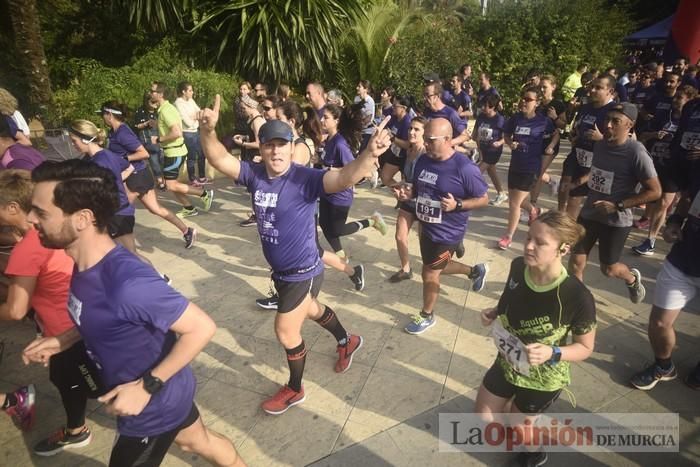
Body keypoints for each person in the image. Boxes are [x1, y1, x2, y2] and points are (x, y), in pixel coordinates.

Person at [23, 159, 246, 467]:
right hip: (165, 394)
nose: (30, 217)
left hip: (152, 407)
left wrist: (146, 387)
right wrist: (62, 341)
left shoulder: (128, 282)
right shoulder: (84, 263)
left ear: (82, 219)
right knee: (198, 441)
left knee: (196, 442)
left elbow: (201, 327)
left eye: (41, 212)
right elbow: (105, 316)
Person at [199, 95, 391, 415]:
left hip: (303, 271)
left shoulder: (305, 178)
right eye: (269, 145)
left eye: (281, 144)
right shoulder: (255, 175)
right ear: (261, 148)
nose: (275, 150)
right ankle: (347, 341)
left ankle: (295, 387)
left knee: (286, 330)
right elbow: (219, 159)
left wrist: (368, 156)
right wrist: (207, 131)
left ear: (292, 147)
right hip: (285, 274)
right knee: (313, 310)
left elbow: (342, 178)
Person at [476, 211, 596, 467]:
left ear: (563, 248)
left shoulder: (577, 296)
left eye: (540, 242)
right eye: (528, 237)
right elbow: (509, 300)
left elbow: (585, 347)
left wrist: (553, 352)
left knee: (521, 430)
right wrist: (495, 312)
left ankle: (535, 452)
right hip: (508, 360)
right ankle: (519, 416)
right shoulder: (519, 266)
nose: (528, 246)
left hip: (543, 377)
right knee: (486, 419)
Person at [0, 169, 104, 456]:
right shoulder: (55, 230)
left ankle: (77, 431)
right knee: (68, 378)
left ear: (12, 208)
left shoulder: (29, 248)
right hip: (80, 318)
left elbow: (16, 310)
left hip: (65, 329)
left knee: (84, 383)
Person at [629, 95, 700, 391]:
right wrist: (673, 222)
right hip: (685, 256)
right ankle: (663, 365)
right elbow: (689, 194)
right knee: (659, 322)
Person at [393, 118, 489, 335]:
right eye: (425, 138)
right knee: (436, 266)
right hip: (427, 228)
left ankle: (427, 315)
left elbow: (483, 198)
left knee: (429, 273)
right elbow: (419, 189)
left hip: (448, 232)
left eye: (430, 139)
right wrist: (408, 191)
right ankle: (475, 271)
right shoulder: (424, 160)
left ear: (447, 139)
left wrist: (459, 205)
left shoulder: (464, 167)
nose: (425, 143)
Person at [569, 103, 661, 304]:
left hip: (616, 220)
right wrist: (578, 182)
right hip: (589, 213)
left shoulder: (636, 152)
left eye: (615, 121)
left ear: (630, 125)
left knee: (608, 269)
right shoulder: (601, 145)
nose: (608, 125)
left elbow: (655, 191)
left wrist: (618, 205)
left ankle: (631, 278)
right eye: (607, 120)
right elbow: (598, 171)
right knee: (576, 261)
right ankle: (576, 303)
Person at [99, 102, 197, 249]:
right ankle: (187, 231)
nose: (102, 118)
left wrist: (123, 159)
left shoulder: (123, 132)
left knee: (117, 209)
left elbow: (143, 153)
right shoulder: (114, 132)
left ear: (110, 115)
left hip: (136, 177)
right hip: (137, 176)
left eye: (103, 115)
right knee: (155, 209)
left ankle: (113, 246)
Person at [318, 103, 388, 260]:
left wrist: (329, 170)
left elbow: (354, 169)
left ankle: (372, 221)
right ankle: (342, 257)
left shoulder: (340, 144)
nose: (321, 120)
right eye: (322, 116)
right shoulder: (330, 139)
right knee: (323, 223)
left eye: (326, 117)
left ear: (336, 120)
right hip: (327, 190)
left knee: (337, 230)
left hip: (340, 195)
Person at [632, 85, 697, 255]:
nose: (675, 100)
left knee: (677, 202)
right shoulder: (673, 113)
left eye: (680, 98)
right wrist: (660, 139)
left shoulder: (690, 113)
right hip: (665, 164)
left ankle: (658, 240)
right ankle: (652, 237)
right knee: (659, 202)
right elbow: (645, 136)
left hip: (687, 167)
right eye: (675, 97)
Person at [498, 86, 559, 250]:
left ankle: (508, 236)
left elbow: (556, 133)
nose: (523, 101)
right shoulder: (516, 118)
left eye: (528, 99)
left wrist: (551, 147)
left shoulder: (543, 121)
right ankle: (534, 210)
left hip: (531, 167)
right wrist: (511, 143)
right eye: (523, 98)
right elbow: (506, 135)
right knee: (516, 200)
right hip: (515, 165)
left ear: (537, 102)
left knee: (514, 203)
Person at [150, 81, 214, 219]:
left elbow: (177, 132)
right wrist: (156, 124)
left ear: (160, 94)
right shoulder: (166, 108)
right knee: (172, 183)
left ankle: (204, 194)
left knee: (170, 185)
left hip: (174, 152)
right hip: (173, 152)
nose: (150, 93)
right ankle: (189, 207)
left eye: (153, 91)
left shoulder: (166, 110)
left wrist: (159, 139)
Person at [559, 75, 618, 218]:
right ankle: (559, 217)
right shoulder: (586, 107)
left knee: (575, 197)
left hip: (597, 160)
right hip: (578, 153)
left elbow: (624, 142)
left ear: (610, 91)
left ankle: (568, 232)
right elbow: (578, 126)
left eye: (598, 88)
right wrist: (575, 135)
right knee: (564, 186)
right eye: (592, 86)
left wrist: (601, 139)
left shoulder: (615, 111)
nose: (592, 90)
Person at [388, 116, 426, 282]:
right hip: (408, 201)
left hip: (424, 202)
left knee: (426, 244)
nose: (411, 132)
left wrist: (411, 190)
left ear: (425, 132)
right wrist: (400, 186)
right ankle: (406, 269)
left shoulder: (426, 153)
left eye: (416, 129)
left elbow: (430, 182)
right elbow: (408, 177)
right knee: (400, 236)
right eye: (411, 128)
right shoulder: (409, 150)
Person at [530, 75, 567, 207]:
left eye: (544, 87)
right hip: (535, 142)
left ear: (553, 87)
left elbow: (563, 125)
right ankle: (552, 181)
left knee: (537, 173)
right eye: (540, 86)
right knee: (533, 171)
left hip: (550, 143)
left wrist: (555, 117)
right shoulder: (537, 103)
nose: (542, 89)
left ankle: (532, 205)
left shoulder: (557, 104)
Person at [233, 94, 266, 227]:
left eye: (243, 107)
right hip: (252, 156)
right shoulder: (254, 119)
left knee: (255, 188)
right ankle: (257, 214)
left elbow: (259, 143)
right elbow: (254, 136)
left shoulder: (257, 121)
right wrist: (244, 137)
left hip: (256, 157)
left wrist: (243, 144)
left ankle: (257, 215)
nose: (242, 110)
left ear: (250, 106)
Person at [473, 94, 507, 206]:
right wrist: (479, 151)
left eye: (486, 106)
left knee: (476, 172)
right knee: (491, 171)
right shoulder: (481, 117)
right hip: (483, 149)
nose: (483, 108)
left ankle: (478, 195)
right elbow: (476, 135)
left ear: (493, 107)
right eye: (482, 105)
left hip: (494, 151)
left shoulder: (499, 120)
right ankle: (501, 193)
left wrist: (499, 142)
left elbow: (507, 137)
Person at [175, 81, 209, 186]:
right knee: (191, 157)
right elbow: (188, 122)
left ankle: (202, 177)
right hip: (187, 133)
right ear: (183, 91)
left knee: (202, 154)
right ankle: (192, 179)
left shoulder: (191, 101)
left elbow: (200, 112)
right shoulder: (178, 103)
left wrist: (195, 116)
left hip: (196, 131)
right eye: (190, 90)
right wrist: (195, 117)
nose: (192, 92)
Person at [134, 92, 165, 189]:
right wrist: (146, 123)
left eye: (156, 102)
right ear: (147, 101)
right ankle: (159, 181)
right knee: (154, 160)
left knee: (162, 160)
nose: (155, 104)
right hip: (147, 140)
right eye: (153, 102)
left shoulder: (160, 111)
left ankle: (163, 179)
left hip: (160, 139)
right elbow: (136, 126)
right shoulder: (140, 111)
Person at [423, 82, 470, 147]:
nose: (424, 99)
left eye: (427, 96)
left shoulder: (450, 113)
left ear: (437, 96)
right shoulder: (426, 112)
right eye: (424, 95)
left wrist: (447, 144)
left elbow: (465, 136)